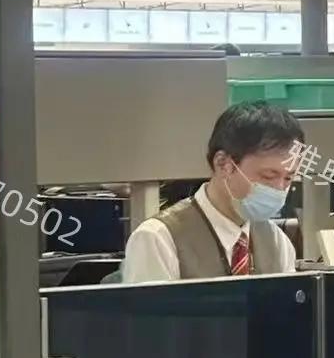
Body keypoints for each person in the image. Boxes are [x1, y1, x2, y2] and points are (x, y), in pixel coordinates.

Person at [122, 102, 304, 283]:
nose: (280, 188)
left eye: (288, 178)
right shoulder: (159, 239)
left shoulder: (277, 243)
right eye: (268, 176)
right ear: (223, 164)